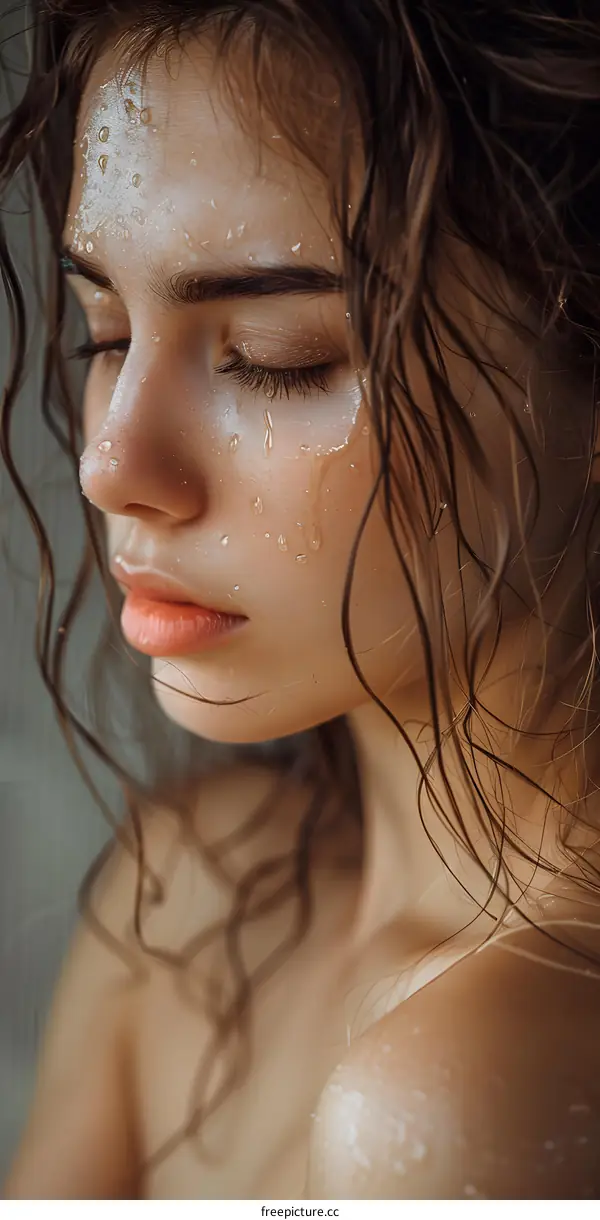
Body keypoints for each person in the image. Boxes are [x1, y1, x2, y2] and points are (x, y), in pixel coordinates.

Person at [2, 0, 600, 1201]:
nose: (111, 465)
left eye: (277, 357)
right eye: (105, 333)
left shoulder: (477, 1083)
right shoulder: (181, 897)